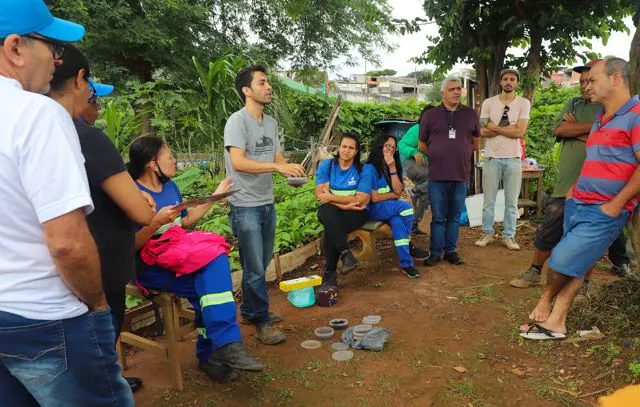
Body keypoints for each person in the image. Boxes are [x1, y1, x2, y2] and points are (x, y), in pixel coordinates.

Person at [0, 1, 134, 406]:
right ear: (16, 48)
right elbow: (66, 243)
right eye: (52, 45)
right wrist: (96, 303)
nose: (57, 59)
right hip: (46, 319)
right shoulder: (37, 114)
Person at [48, 44, 155, 393]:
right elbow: (139, 211)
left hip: (53, 279)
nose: (96, 104)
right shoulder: (87, 139)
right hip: (97, 267)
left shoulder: (34, 130)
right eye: (94, 95)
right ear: (80, 82)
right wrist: (141, 202)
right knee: (97, 355)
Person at [520, 58, 639, 340]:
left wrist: (617, 204)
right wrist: (574, 188)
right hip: (579, 202)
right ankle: (557, 321)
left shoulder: (636, 115)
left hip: (604, 209)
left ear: (617, 78)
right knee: (579, 262)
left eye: (593, 80)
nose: (586, 87)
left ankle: (546, 303)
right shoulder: (601, 117)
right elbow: (593, 159)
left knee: (561, 259)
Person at [129, 136, 264, 382]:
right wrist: (156, 222)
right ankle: (215, 351)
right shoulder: (131, 193)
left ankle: (216, 351)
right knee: (213, 280)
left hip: (178, 258)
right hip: (150, 267)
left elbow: (186, 221)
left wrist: (215, 196)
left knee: (211, 284)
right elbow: (130, 245)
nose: (174, 160)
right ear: (152, 163)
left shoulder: (169, 187)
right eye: (169, 156)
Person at [224, 65, 305, 345]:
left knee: (258, 262)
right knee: (256, 268)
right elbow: (238, 162)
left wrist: (292, 172)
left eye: (268, 82)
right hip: (244, 205)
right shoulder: (237, 121)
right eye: (262, 82)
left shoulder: (270, 123)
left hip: (266, 202)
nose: (268, 87)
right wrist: (274, 166)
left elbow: (278, 159)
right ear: (247, 90)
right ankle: (261, 321)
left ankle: (248, 310)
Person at [419, 77, 480, 267]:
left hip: (461, 174)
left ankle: (451, 251)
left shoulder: (470, 114)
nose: (456, 92)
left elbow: (476, 142)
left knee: (454, 216)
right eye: (452, 89)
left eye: (458, 89)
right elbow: (422, 145)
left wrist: (460, 154)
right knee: (438, 217)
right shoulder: (430, 115)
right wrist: (440, 156)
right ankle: (435, 252)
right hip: (437, 175)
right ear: (442, 93)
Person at [475, 68, 531, 250]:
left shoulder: (523, 103)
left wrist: (495, 127)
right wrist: (510, 129)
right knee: (489, 200)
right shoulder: (489, 103)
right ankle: (487, 233)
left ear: (517, 83)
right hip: (492, 157)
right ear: (500, 82)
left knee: (511, 201)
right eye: (505, 79)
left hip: (514, 158)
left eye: (512, 79)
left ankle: (509, 236)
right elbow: (482, 131)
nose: (509, 82)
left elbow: (520, 132)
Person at [363, 134, 430, 278]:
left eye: (393, 148)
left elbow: (399, 191)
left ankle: (407, 265)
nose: (390, 150)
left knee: (398, 223)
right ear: (380, 146)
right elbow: (374, 198)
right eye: (387, 146)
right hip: (375, 209)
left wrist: (392, 166)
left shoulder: (390, 167)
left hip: (389, 208)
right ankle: (409, 244)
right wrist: (393, 195)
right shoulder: (369, 168)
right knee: (406, 208)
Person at [315, 132, 371, 288]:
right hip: (335, 210)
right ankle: (346, 254)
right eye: (344, 146)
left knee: (330, 227)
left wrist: (332, 198)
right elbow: (320, 196)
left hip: (357, 212)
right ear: (338, 148)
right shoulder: (327, 166)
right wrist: (343, 204)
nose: (346, 150)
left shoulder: (363, 170)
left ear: (356, 151)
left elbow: (361, 200)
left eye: (351, 148)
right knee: (327, 213)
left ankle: (330, 276)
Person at [398, 104, 435, 235]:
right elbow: (401, 144)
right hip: (414, 164)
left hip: (427, 166)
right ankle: (415, 223)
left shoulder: (435, 131)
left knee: (429, 190)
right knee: (427, 187)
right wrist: (413, 151)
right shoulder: (417, 129)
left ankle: (418, 220)